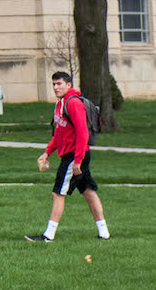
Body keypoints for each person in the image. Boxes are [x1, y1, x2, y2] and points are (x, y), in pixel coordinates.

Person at [27, 70, 110, 242]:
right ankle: (104, 233)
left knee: (58, 193)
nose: (56, 87)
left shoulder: (73, 104)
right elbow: (58, 134)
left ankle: (48, 235)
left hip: (75, 156)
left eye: (59, 84)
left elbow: (82, 134)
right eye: (54, 84)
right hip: (73, 155)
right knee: (88, 191)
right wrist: (47, 153)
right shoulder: (60, 104)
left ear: (69, 85)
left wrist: (78, 161)